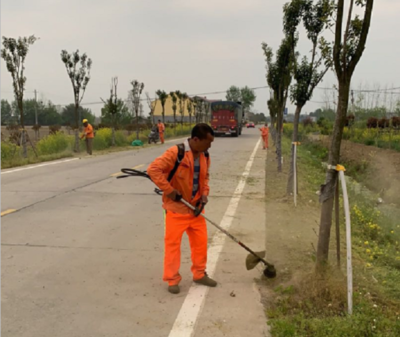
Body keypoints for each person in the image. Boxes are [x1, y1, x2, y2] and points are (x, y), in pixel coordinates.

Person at [147, 123, 216, 294]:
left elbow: (205, 178)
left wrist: (204, 196)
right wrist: (169, 191)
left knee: (200, 244)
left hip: (196, 209)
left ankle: (199, 274)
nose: (209, 146)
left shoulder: (205, 155)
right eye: (207, 142)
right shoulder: (176, 153)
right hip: (176, 209)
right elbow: (153, 170)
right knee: (173, 245)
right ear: (195, 139)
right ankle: (172, 279)